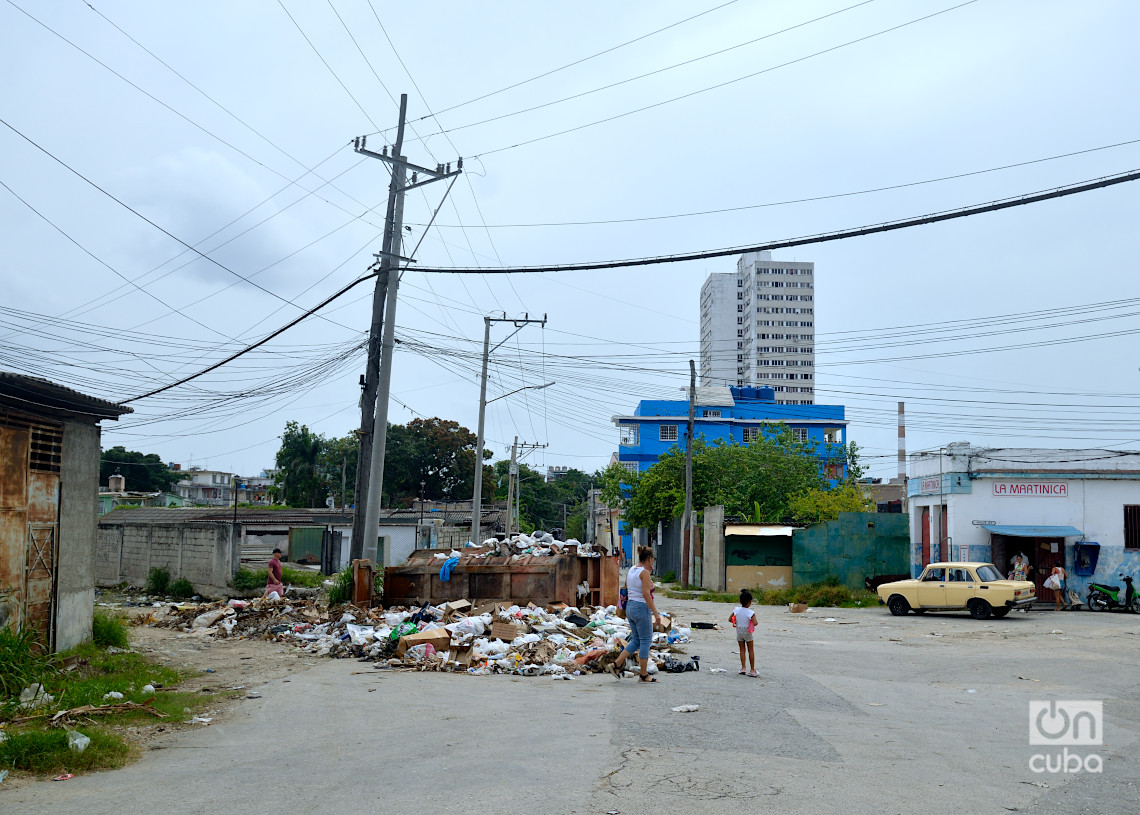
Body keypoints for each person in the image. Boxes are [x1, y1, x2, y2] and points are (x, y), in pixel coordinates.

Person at [612, 546, 664, 683]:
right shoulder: (644, 573)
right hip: (641, 608)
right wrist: (656, 613)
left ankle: (616, 664)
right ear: (650, 559)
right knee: (646, 640)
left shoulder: (632, 569)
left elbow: (635, 587)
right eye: (652, 560)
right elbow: (646, 593)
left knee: (636, 640)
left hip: (630, 607)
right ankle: (643, 674)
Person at [730, 589, 759, 677]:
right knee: (750, 650)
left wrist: (737, 621)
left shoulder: (736, 610)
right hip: (747, 632)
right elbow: (755, 623)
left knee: (742, 650)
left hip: (739, 632)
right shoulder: (751, 612)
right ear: (750, 602)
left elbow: (730, 619)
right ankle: (752, 670)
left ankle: (743, 668)